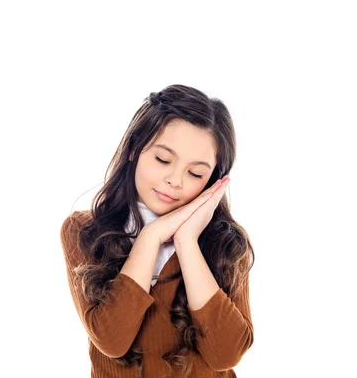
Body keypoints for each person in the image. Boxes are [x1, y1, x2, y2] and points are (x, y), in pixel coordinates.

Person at [60, 84, 255, 377]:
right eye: (163, 159)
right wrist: (150, 237)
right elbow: (112, 341)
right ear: (134, 149)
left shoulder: (227, 242)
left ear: (214, 181)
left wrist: (187, 241)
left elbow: (226, 354)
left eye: (196, 173)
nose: (175, 180)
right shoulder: (84, 230)